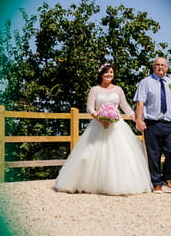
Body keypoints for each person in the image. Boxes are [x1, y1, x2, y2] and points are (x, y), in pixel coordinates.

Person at [53, 63, 152, 195]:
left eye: (111, 72)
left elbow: (125, 107)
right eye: (106, 72)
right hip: (98, 125)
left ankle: (118, 184)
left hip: (117, 126)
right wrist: (101, 120)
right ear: (101, 75)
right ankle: (87, 183)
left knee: (121, 154)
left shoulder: (118, 90)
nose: (109, 74)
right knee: (92, 154)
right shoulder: (94, 89)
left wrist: (137, 120)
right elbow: (90, 108)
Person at [134, 57, 171, 193]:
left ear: (167, 67)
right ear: (153, 67)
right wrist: (138, 120)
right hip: (152, 124)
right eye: (157, 65)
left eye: (163, 65)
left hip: (170, 125)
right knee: (153, 154)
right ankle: (156, 182)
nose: (160, 67)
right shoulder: (145, 83)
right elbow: (140, 103)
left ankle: (167, 178)